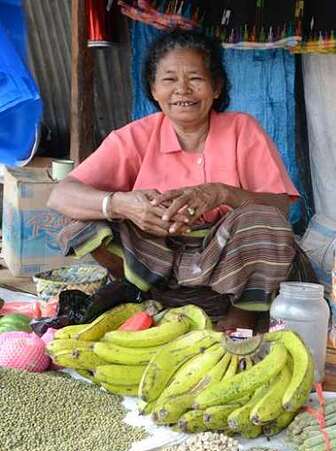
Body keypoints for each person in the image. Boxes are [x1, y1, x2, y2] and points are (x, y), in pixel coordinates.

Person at [48, 29, 304, 329]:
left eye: (195, 78)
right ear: (153, 90)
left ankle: (239, 321)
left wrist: (222, 193)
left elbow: (280, 211)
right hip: (158, 257)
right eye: (169, 79)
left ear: (217, 87)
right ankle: (140, 293)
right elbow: (61, 194)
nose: (182, 89)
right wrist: (123, 204)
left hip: (227, 261)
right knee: (84, 219)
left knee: (263, 221)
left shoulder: (242, 130)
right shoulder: (135, 136)